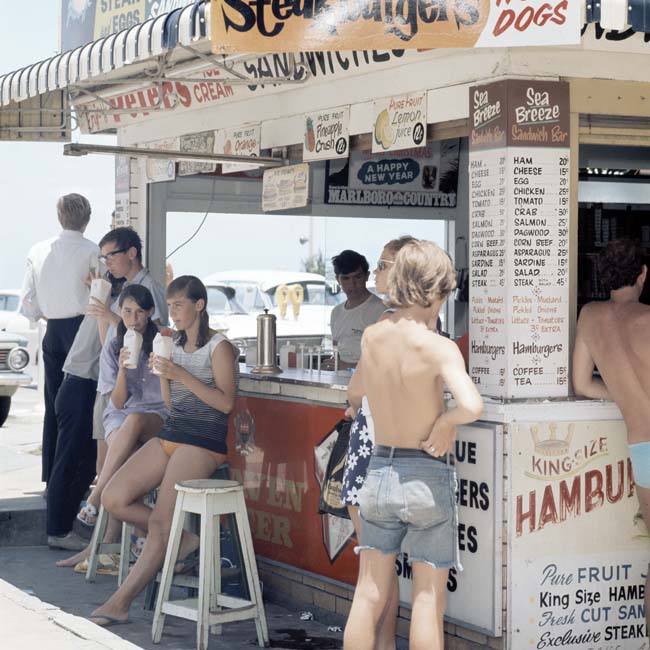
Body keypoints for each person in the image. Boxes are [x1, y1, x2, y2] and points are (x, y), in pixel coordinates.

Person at [343, 240, 483, 650]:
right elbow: (471, 405)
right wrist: (446, 419)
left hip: (379, 469)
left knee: (368, 592)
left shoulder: (373, 337)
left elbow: (355, 393)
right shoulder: (439, 346)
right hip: (425, 472)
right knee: (426, 598)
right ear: (439, 290)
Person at [88, 276, 239, 627]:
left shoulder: (219, 347)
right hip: (173, 432)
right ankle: (185, 540)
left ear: (199, 305)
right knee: (114, 498)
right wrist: (165, 376)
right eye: (169, 306)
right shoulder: (171, 342)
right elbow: (172, 404)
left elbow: (227, 404)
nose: (172, 313)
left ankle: (120, 602)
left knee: (159, 521)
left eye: (178, 305)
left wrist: (181, 375)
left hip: (203, 441)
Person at [46, 227, 167, 551]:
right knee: (103, 465)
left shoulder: (146, 290)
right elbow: (109, 345)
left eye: (110, 255)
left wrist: (111, 316)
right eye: (103, 257)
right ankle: (107, 543)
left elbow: (154, 339)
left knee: (110, 466)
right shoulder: (119, 291)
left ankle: (113, 538)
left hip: (133, 398)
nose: (106, 263)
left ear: (130, 253)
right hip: (106, 388)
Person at [341, 235, 416, 650]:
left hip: (371, 453)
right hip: (408, 456)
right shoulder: (429, 323)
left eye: (384, 265)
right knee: (392, 574)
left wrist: (356, 404)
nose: (375, 273)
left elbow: (356, 391)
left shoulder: (384, 325)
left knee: (372, 575)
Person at [572, 237, 650, 637]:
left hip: (643, 450)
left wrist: (624, 396)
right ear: (643, 274)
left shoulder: (589, 316)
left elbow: (582, 384)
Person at [19, 193, 99, 485]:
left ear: (59, 217)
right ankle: (81, 473)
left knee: (54, 401)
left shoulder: (38, 250)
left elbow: (28, 300)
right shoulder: (93, 251)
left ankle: (51, 473)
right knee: (84, 401)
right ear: (87, 220)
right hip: (84, 329)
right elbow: (100, 295)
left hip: (52, 329)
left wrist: (45, 313)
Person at [323, 249, 385, 370]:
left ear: (366, 276)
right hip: (339, 381)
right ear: (338, 279)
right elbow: (337, 353)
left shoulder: (381, 311)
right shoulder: (336, 312)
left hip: (369, 383)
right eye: (346, 278)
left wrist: (347, 366)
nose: (352, 284)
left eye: (357, 277)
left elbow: (387, 361)